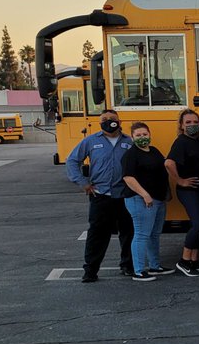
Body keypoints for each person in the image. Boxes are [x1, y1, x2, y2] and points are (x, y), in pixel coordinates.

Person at [66, 110, 135, 282]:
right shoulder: (90, 141)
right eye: (104, 119)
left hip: (124, 195)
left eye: (112, 119)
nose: (108, 121)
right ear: (99, 122)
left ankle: (128, 265)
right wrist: (83, 182)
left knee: (128, 232)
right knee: (97, 234)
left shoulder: (129, 141)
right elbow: (72, 160)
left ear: (119, 121)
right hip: (100, 195)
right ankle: (90, 270)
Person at [121, 122, 173, 282]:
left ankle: (155, 266)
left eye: (145, 134)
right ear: (132, 137)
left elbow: (163, 171)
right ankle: (138, 270)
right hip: (140, 200)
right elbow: (128, 178)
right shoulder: (131, 155)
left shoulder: (155, 151)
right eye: (138, 135)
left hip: (158, 199)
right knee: (142, 234)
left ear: (149, 134)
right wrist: (145, 194)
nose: (142, 137)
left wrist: (166, 192)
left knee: (154, 234)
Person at [164, 109, 199, 277]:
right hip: (187, 190)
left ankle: (194, 260)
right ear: (182, 126)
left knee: (198, 225)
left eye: (195, 122)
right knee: (198, 224)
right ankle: (183, 261)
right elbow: (169, 163)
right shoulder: (181, 142)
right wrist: (180, 180)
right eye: (188, 122)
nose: (192, 125)